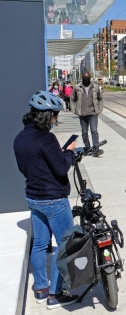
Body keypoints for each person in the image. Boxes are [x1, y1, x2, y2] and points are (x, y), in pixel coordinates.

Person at [13, 91, 79, 309]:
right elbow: (61, 168)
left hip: (33, 197)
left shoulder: (20, 138)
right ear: (47, 115)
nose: (55, 119)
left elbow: (29, 166)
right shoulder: (46, 138)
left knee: (40, 244)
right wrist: (69, 153)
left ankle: (41, 288)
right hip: (54, 200)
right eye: (54, 115)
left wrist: (55, 154)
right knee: (64, 245)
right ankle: (55, 293)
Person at [72, 72, 104, 157]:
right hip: (82, 114)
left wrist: (99, 109)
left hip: (93, 113)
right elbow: (72, 99)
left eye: (87, 77)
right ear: (82, 78)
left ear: (90, 78)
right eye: (84, 77)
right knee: (84, 133)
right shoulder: (77, 87)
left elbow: (100, 98)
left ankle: (96, 148)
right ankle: (87, 147)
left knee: (94, 131)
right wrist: (73, 109)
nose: (86, 78)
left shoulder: (95, 87)